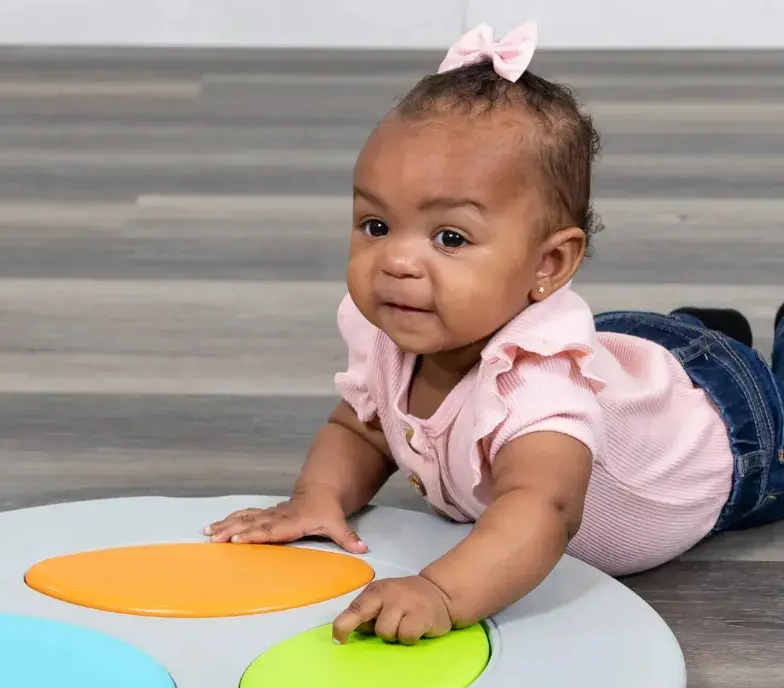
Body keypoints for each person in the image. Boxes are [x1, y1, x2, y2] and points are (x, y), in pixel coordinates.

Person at [204, 21, 784, 646]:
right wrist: (317, 497)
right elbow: (361, 428)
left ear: (548, 266)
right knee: (657, 354)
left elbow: (543, 509)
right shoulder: (398, 330)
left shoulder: (537, 387)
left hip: (734, 436)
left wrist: (441, 591)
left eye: (449, 238)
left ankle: (722, 350)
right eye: (376, 225)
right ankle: (700, 335)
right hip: (624, 356)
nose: (396, 261)